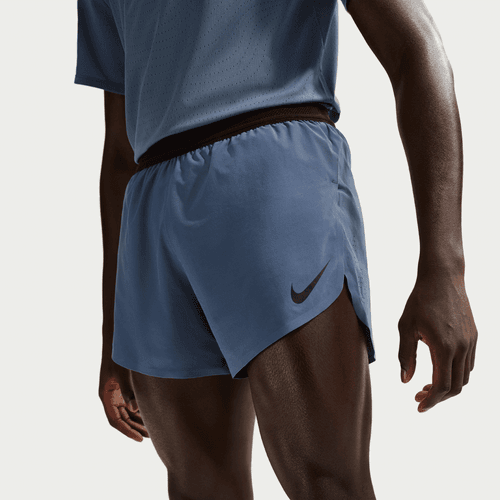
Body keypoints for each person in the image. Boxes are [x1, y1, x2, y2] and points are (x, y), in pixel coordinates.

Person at [74, 0, 478, 498]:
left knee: (326, 482)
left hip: (269, 166)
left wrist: (445, 267)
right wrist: (113, 334)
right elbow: (119, 149)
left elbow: (414, 44)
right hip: (151, 201)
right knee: (200, 490)